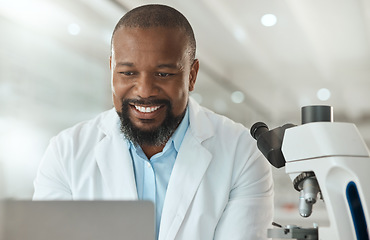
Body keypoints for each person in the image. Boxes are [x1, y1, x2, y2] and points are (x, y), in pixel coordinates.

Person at [33, 4, 274, 240]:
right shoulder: (66, 152)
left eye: (164, 74)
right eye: (128, 73)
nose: (145, 90)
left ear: (192, 75)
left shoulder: (242, 153)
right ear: (111, 70)